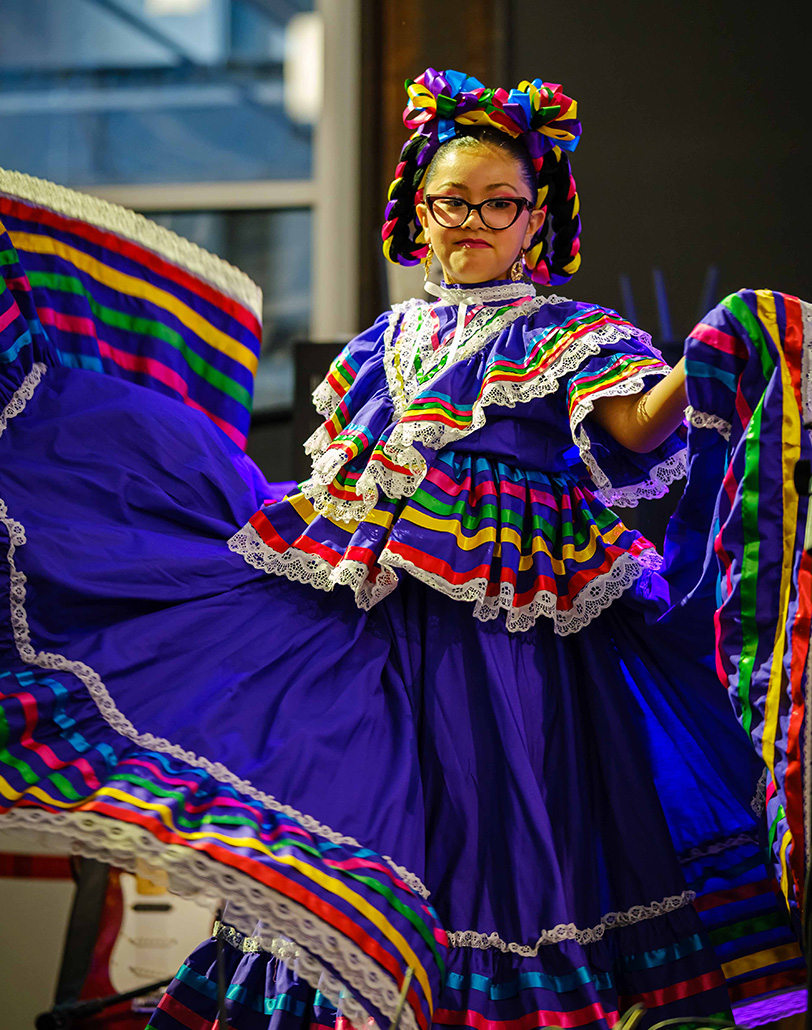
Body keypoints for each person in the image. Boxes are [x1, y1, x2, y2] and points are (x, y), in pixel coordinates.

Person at [0, 70, 806, 1030]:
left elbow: (631, 427)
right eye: (451, 201)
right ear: (418, 210)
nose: (472, 223)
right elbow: (335, 493)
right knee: (367, 823)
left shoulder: (567, 331)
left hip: (514, 661)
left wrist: (708, 356)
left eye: (498, 204)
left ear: (535, 221)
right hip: (378, 648)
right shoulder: (384, 341)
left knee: (497, 848)